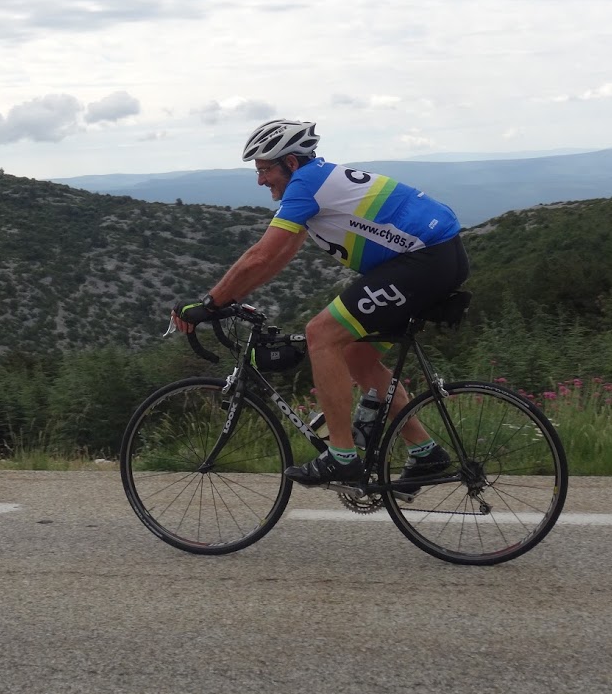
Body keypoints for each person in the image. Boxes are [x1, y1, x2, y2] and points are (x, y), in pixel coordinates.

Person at [172, 119, 470, 487]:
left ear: (291, 163)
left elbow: (261, 257)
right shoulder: (316, 181)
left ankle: (342, 458)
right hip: (437, 257)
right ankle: (426, 453)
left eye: (265, 169)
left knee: (321, 334)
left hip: (424, 261)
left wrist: (209, 303)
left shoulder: (306, 184)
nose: (261, 180)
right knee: (355, 355)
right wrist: (226, 299)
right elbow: (280, 256)